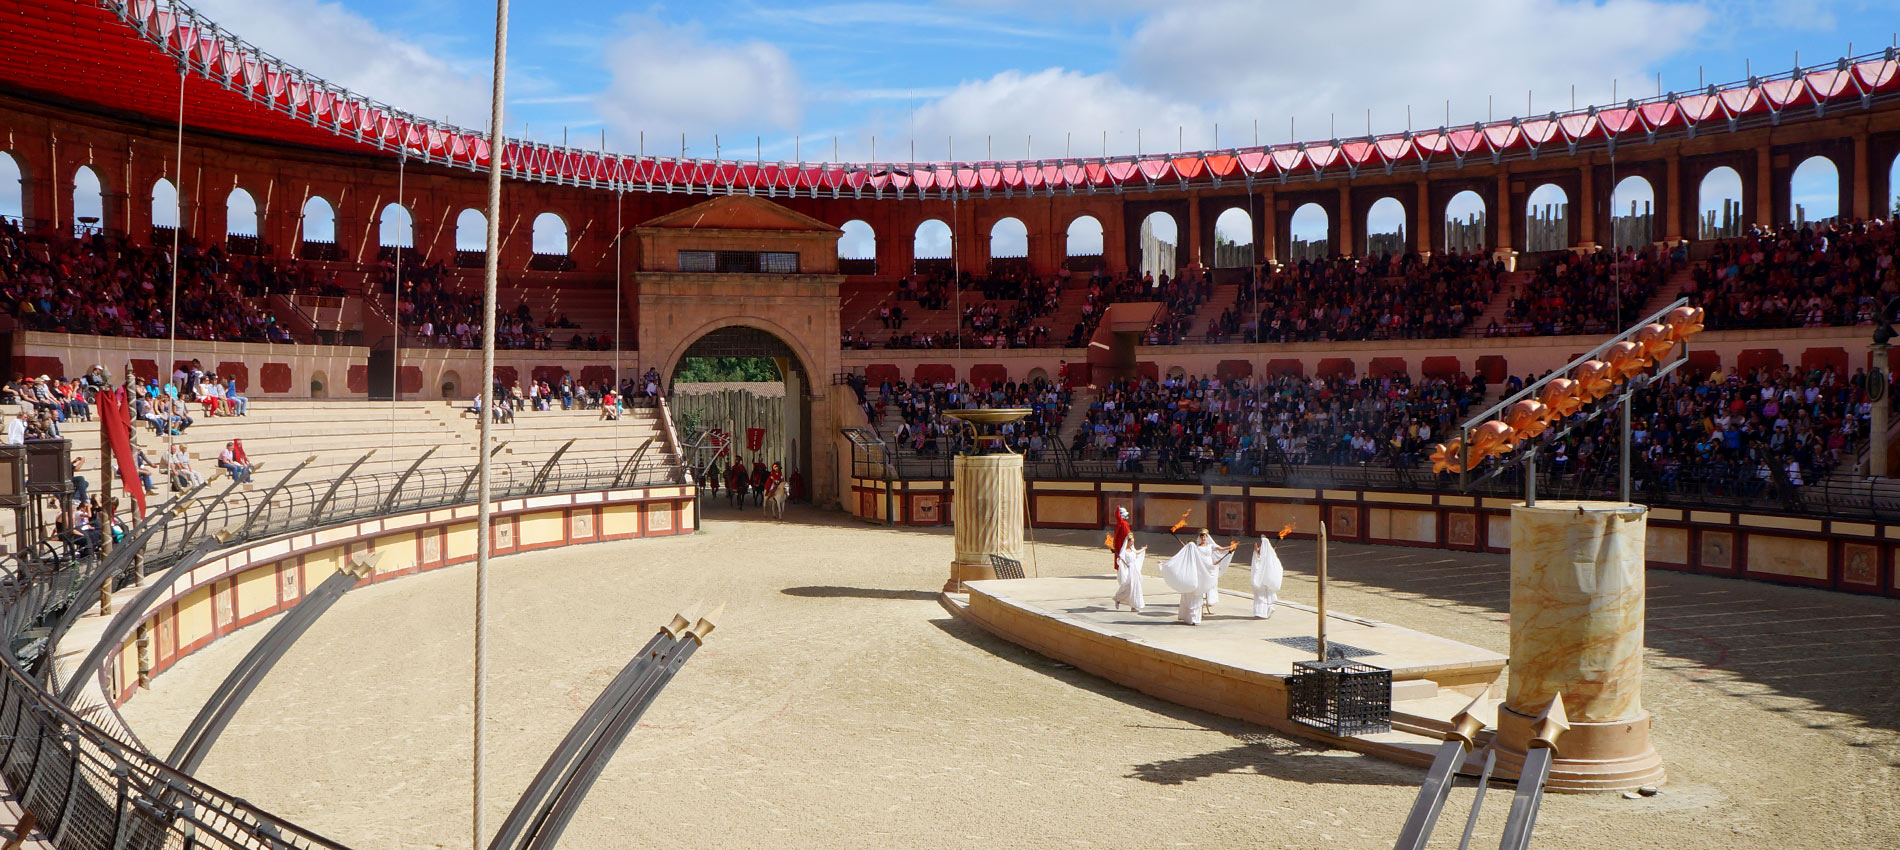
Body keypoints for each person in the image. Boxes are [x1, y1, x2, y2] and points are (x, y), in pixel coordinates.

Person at [1158, 529, 1235, 625]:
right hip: (1199, 568)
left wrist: (1231, 547)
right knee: (1196, 588)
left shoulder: (1211, 546)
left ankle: (1208, 602)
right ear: (1200, 537)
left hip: (1208, 566)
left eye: (1205, 536)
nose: (1203, 538)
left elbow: (1221, 549)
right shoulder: (1197, 547)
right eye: (1202, 536)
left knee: (1207, 584)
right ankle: (1192, 615)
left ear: (1207, 537)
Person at [1251, 535, 1284, 618]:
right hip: (1267, 577)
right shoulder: (1270, 554)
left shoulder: (1262, 553)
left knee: (1260, 594)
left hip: (1261, 577)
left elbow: (1257, 559)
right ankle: (1269, 607)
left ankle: (1261, 612)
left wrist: (1256, 552)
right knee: (1267, 593)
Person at [1112, 538, 1147, 612]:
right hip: (1129, 570)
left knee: (1135, 587)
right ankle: (1118, 599)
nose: (1132, 543)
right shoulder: (1124, 551)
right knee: (1128, 586)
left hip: (1135, 570)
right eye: (1131, 541)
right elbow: (1121, 559)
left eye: (1133, 542)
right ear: (1127, 542)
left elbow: (1137, 552)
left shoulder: (1132, 549)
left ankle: (1133, 607)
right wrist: (1125, 564)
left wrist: (1144, 549)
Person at [1109, 505, 1132, 572]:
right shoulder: (1123, 523)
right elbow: (1127, 534)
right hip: (1122, 544)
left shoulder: (1121, 523)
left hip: (1119, 544)